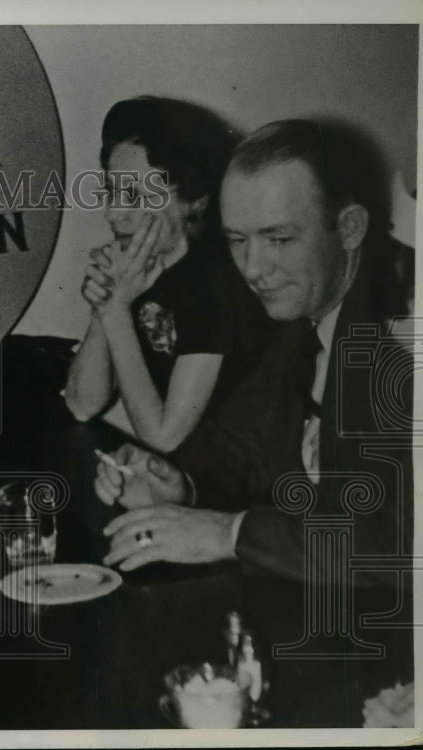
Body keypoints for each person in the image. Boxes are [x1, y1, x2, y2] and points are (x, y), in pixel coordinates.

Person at [96, 119, 413, 725]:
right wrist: (177, 483)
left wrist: (228, 532)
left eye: (278, 238)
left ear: (349, 228)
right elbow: (239, 443)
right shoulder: (307, 316)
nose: (254, 268)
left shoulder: (403, 334)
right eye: (238, 240)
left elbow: (400, 541)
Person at [65, 97, 274, 452]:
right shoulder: (142, 266)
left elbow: (165, 436)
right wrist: (105, 307)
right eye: (112, 192)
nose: (113, 215)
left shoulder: (216, 286)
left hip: (234, 485)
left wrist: (115, 312)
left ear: (195, 198)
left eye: (134, 196)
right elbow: (82, 405)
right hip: (171, 478)